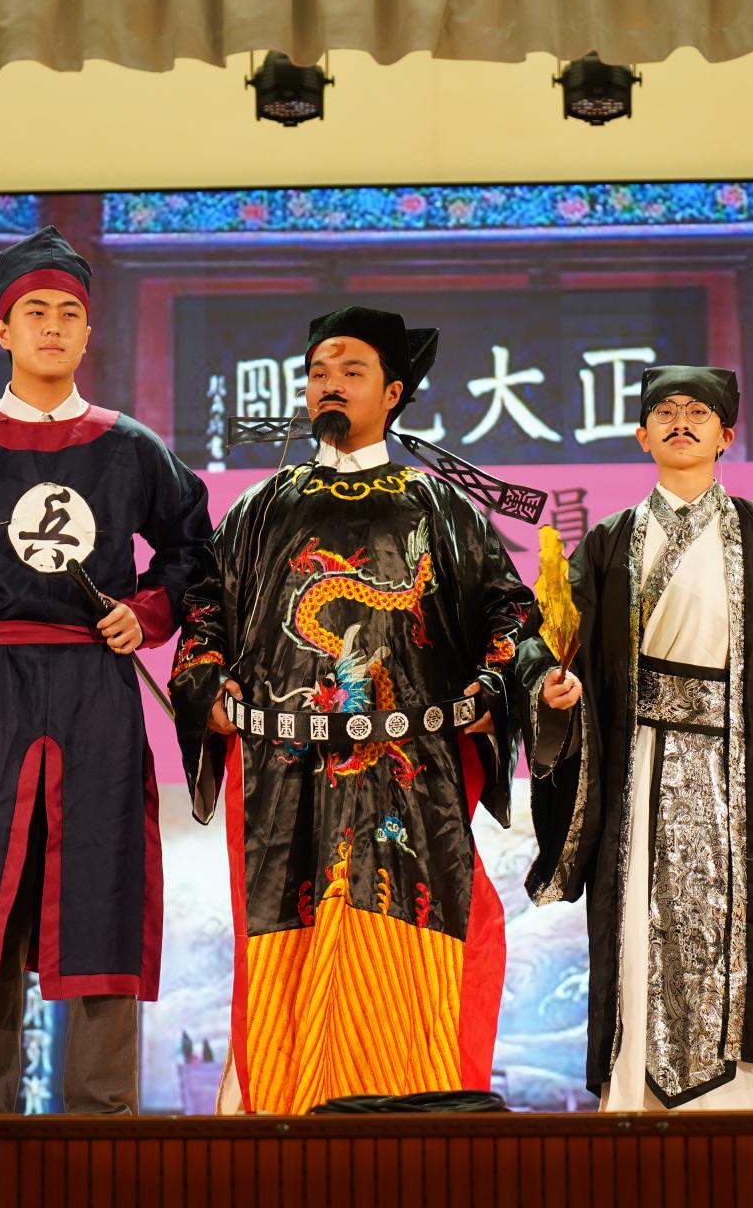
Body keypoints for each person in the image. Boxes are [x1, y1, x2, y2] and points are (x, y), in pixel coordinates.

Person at [169, 306, 577, 1115]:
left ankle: (412, 1138)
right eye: (318, 372)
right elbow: (206, 614)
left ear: (393, 392)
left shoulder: (441, 509)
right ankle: (283, 1130)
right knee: (286, 955)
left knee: (409, 951)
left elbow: (507, 616)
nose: (330, 385)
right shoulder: (260, 508)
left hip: (410, 776)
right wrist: (206, 686)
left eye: (351, 372)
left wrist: (515, 686)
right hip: (285, 777)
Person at [0, 226, 211, 1114]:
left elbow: (194, 549)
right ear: (3, 329)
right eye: (35, 311)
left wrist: (146, 613)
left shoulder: (127, 445)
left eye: (70, 313)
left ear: (87, 332)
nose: (53, 326)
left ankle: (102, 1124)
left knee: (101, 889)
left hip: (92, 694)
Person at [526, 365, 753, 1111]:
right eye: (664, 412)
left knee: (751, 942)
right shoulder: (609, 542)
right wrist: (549, 687)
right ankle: (639, 1095)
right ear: (641, 435)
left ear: (726, 435)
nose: (681, 424)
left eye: (699, 413)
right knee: (639, 928)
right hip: (639, 767)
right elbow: (548, 637)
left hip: (740, 772)